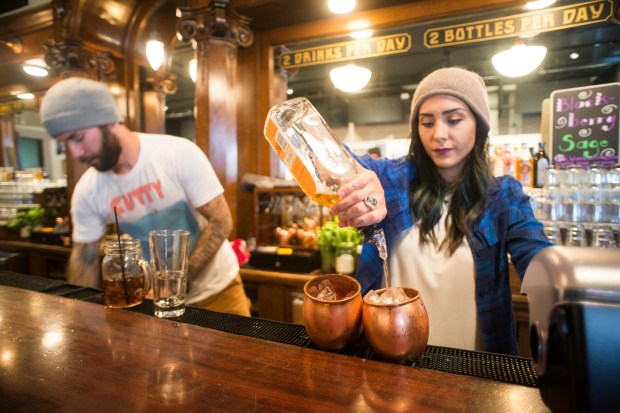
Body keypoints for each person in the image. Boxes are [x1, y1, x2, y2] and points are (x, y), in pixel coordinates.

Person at [330, 67, 552, 355]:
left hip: (474, 369)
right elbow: (331, 160)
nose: (439, 134)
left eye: (454, 119)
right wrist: (357, 179)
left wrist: (565, 285)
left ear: (479, 125)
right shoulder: (390, 179)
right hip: (388, 360)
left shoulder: (503, 196)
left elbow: (538, 258)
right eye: (427, 122)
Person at [40, 77, 251, 316]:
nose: (76, 153)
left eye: (78, 138)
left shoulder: (177, 154)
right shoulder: (88, 190)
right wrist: (80, 316)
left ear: (107, 120)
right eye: (66, 144)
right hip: (153, 302)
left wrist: (175, 283)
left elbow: (221, 222)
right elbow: (85, 259)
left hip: (219, 292)